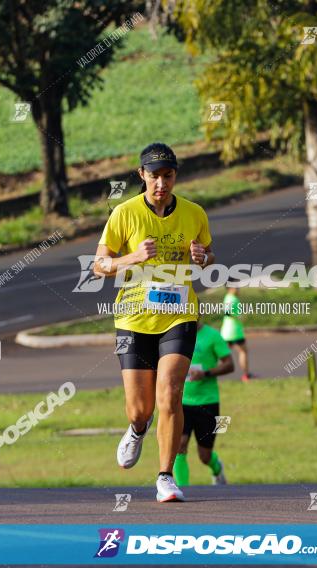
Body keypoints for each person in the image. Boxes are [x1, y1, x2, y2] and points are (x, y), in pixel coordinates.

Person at [92, 142, 215, 503]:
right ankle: (136, 429)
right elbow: (99, 265)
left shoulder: (194, 213)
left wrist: (202, 256)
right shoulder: (124, 215)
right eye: (155, 176)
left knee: (171, 394)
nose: (161, 183)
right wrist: (132, 257)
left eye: (168, 175)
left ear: (175, 175)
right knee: (140, 408)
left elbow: (209, 253)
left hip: (179, 316)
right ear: (141, 175)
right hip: (133, 319)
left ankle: (165, 476)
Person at [174, 318, 234, 486]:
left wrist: (206, 373)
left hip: (208, 402)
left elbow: (229, 364)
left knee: (204, 455)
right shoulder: (178, 336)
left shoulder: (213, 336)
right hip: (182, 401)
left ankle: (217, 468)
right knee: (179, 445)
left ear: (199, 313)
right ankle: (182, 489)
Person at [221, 285, 252, 381]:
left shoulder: (228, 297)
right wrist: (238, 317)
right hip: (235, 331)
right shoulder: (232, 299)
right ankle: (246, 376)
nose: (238, 289)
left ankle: (209, 372)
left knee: (221, 354)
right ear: (230, 288)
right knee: (243, 351)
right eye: (236, 288)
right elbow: (227, 312)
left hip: (226, 331)